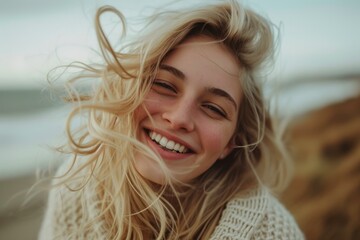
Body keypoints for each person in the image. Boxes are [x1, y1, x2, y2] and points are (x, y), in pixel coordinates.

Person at [39, 0, 304, 239]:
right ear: (132, 87)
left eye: (214, 108)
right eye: (164, 85)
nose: (179, 119)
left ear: (231, 143)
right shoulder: (75, 188)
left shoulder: (273, 233)